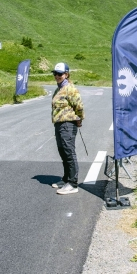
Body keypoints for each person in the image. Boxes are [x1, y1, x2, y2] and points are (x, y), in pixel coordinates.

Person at [51, 62, 84, 195]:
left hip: (68, 124)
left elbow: (79, 106)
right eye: (55, 74)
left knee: (69, 152)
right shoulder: (58, 88)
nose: (57, 76)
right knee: (63, 152)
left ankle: (73, 183)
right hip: (59, 124)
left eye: (60, 74)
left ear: (66, 74)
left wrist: (79, 119)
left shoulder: (70, 88)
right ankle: (66, 179)